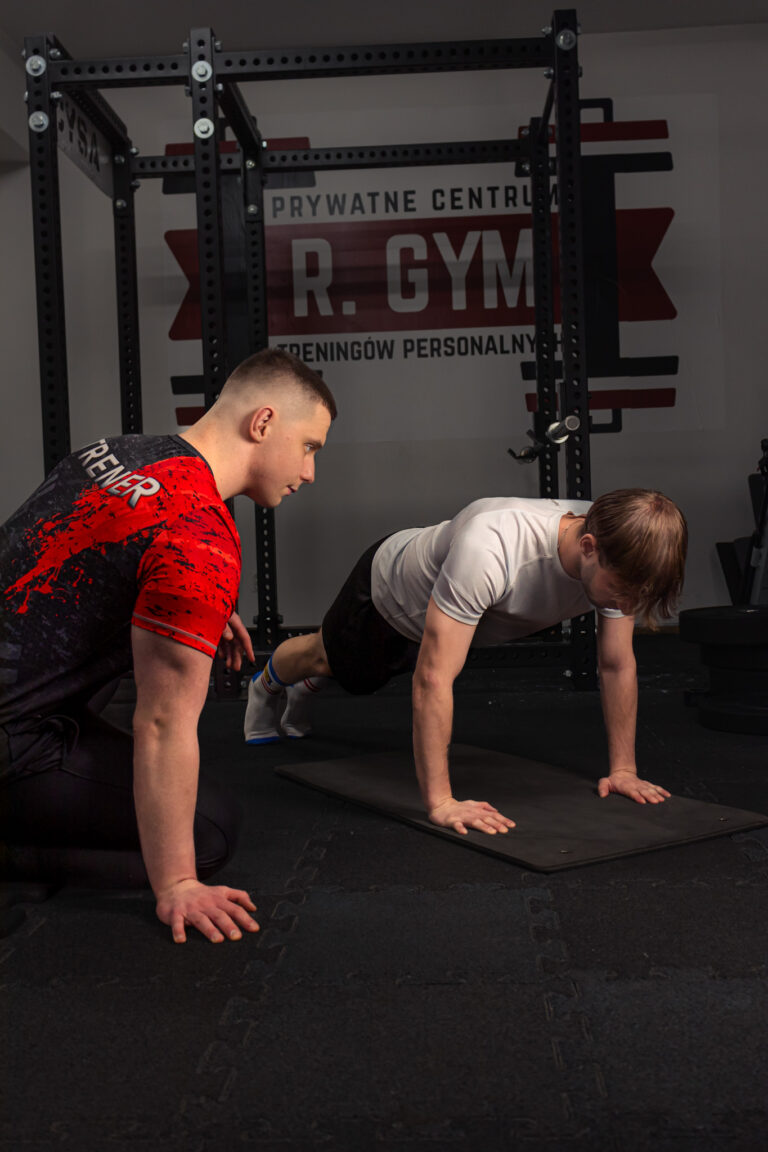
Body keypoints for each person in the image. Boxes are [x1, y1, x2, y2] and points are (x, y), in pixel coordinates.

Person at [0, 348, 336, 944]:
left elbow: (69, 560)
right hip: (11, 738)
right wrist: (177, 882)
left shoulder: (116, 451)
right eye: (309, 446)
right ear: (263, 423)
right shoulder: (199, 536)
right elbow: (160, 724)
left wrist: (199, 605)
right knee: (211, 832)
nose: (309, 472)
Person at [245, 490, 687, 835]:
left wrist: (623, 770)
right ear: (588, 547)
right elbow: (434, 679)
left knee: (360, 677)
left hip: (445, 617)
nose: (627, 606)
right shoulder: (493, 546)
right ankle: (266, 687)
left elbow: (616, 664)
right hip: (388, 596)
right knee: (326, 658)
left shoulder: (620, 547)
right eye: (622, 593)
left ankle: (312, 685)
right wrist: (441, 802)